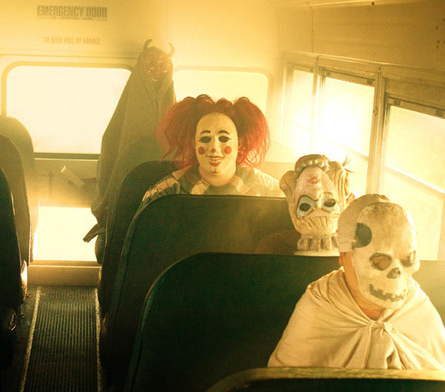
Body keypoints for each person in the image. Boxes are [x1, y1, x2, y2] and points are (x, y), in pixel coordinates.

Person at [268, 194, 445, 369]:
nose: (395, 274)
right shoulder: (320, 305)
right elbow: (283, 387)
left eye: (406, 258)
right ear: (343, 257)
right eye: (378, 261)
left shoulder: (416, 306)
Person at [85, 39, 176, 262]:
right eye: (151, 64)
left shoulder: (170, 102)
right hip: (127, 173)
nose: (156, 69)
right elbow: (113, 144)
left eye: (162, 64)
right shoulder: (132, 99)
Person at [139, 94, 281, 209]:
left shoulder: (272, 192)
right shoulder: (165, 194)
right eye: (205, 138)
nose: (214, 147)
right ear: (193, 143)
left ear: (240, 143)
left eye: (224, 138)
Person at [255, 154, 353, 255]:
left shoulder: (358, 249)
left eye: (328, 202)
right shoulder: (274, 245)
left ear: (349, 201)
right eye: (306, 204)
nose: (318, 211)